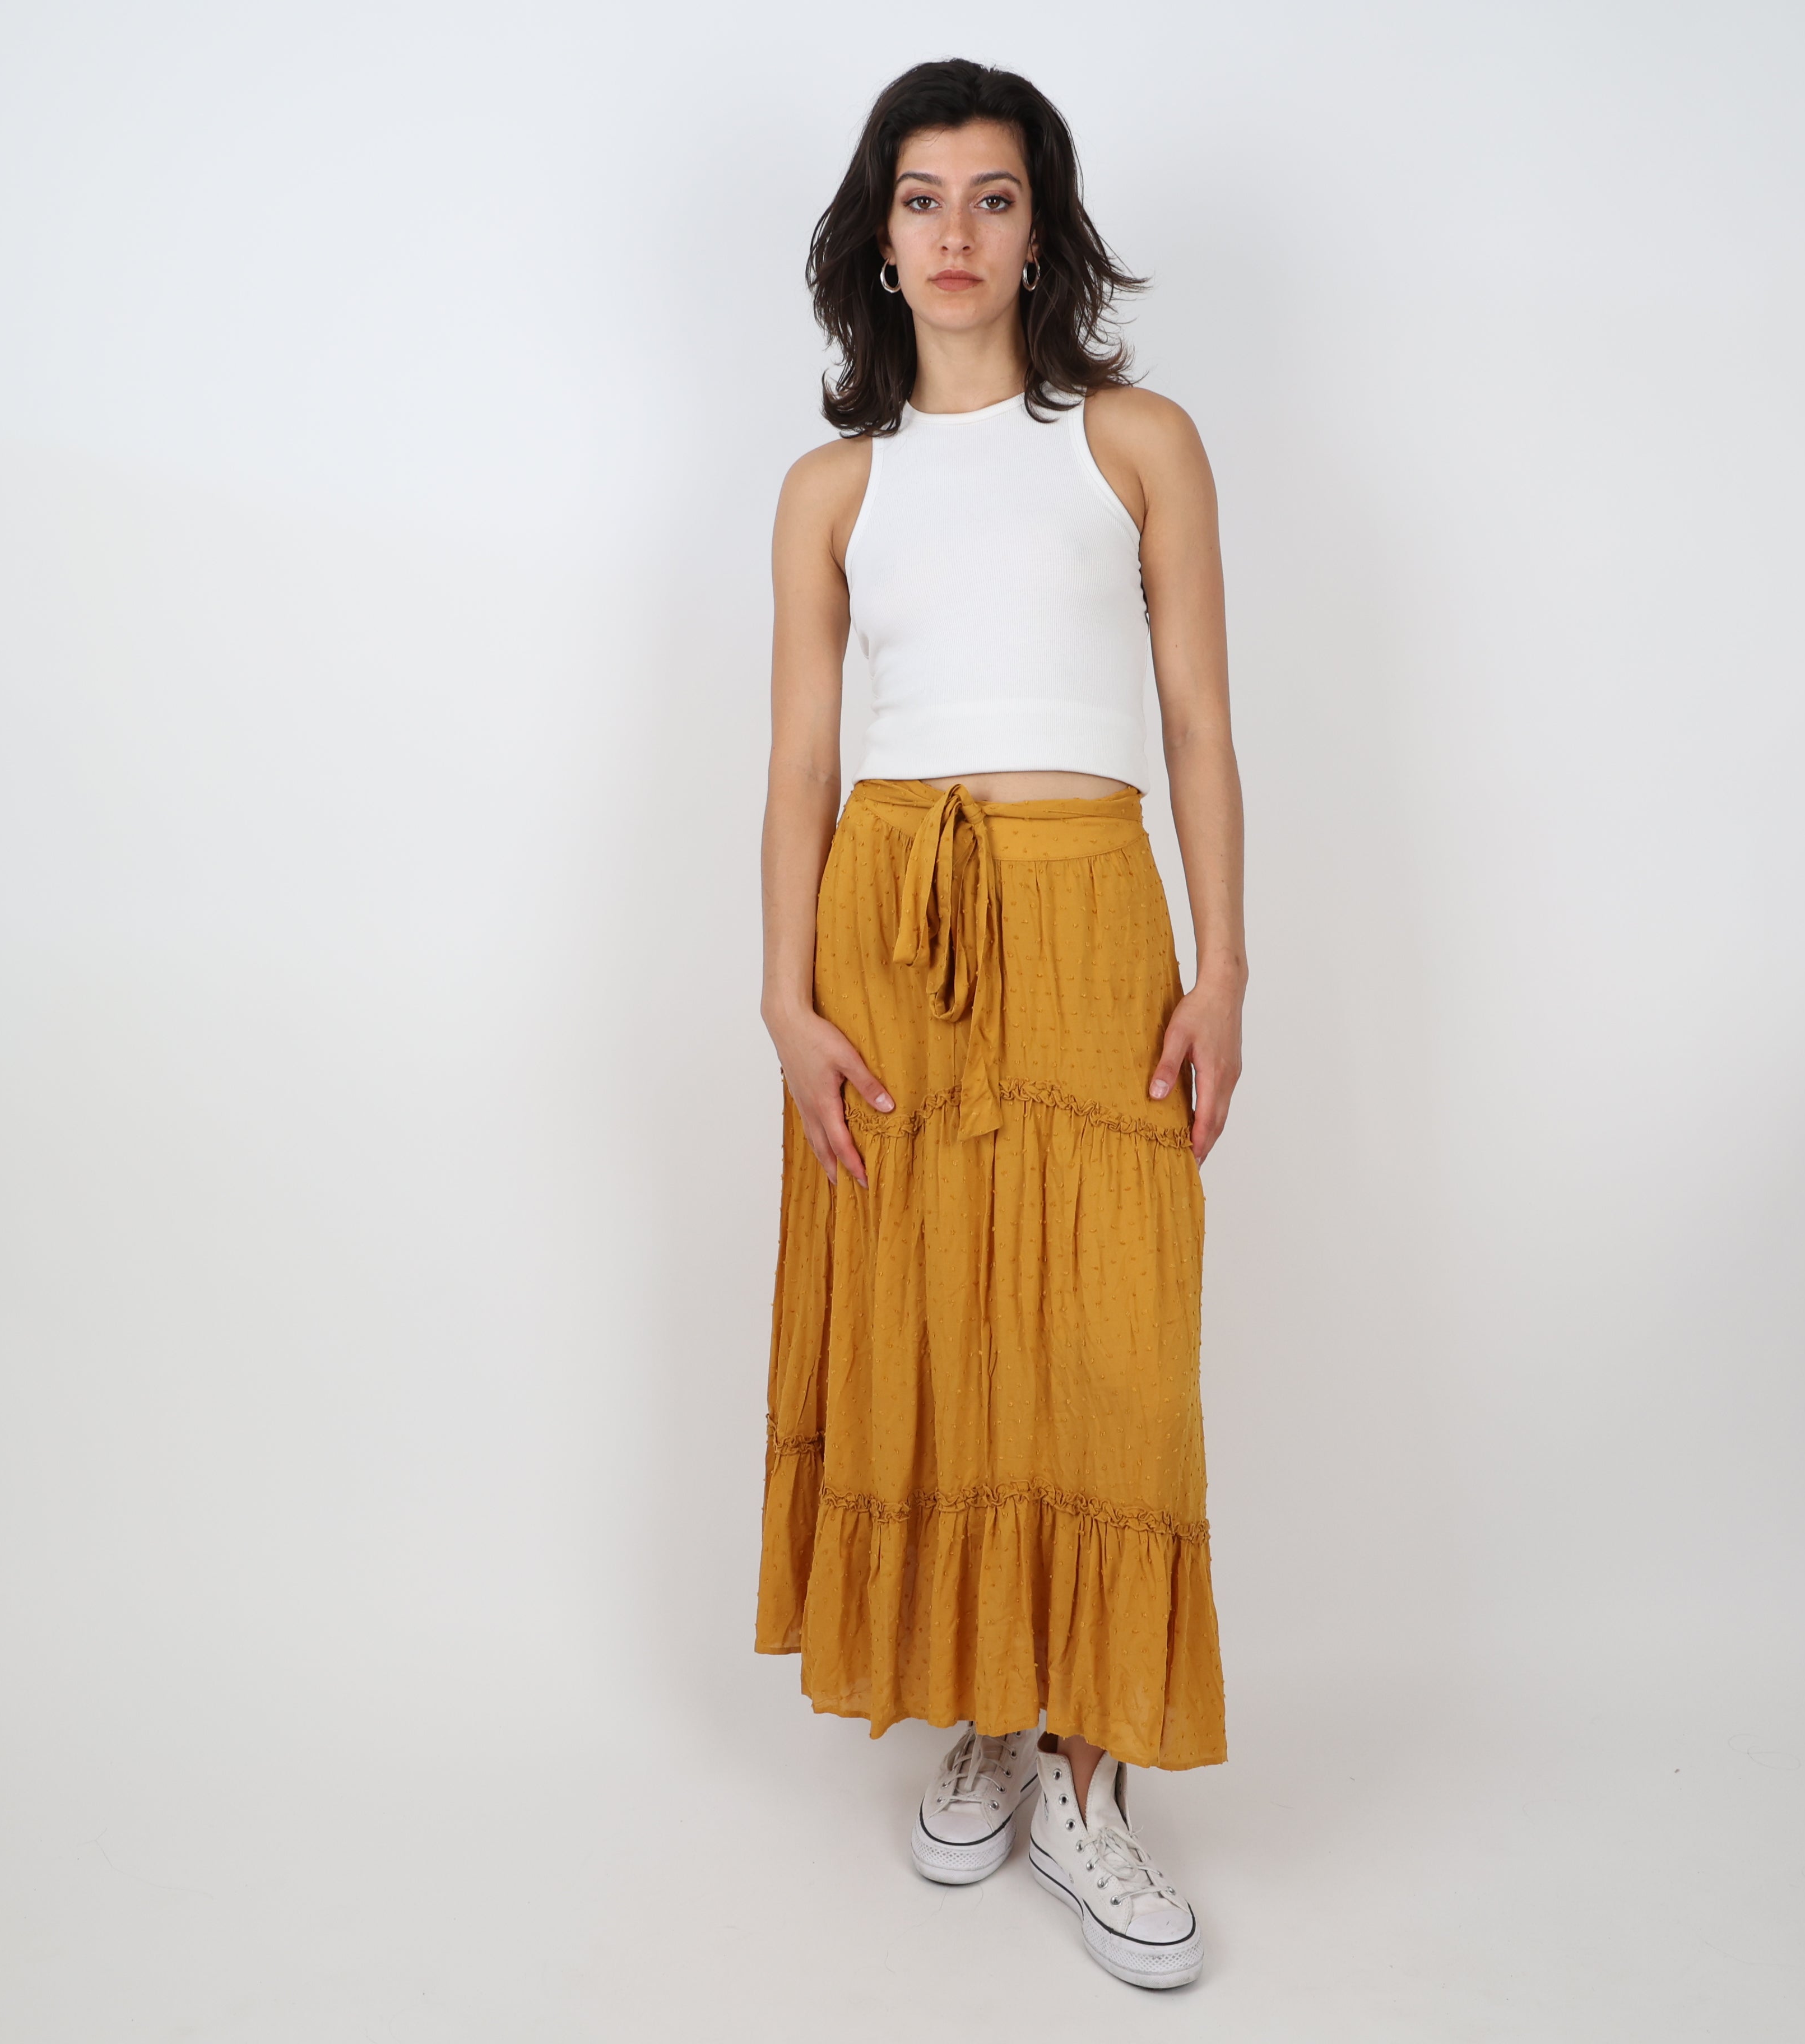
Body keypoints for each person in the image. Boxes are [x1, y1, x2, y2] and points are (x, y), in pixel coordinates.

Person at [754, 57, 1245, 1992]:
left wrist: (1225, 971)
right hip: (895, 921)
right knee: (942, 1318)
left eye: (994, 197)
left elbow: (1197, 724)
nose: (956, 233)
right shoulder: (832, 488)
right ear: (876, 238)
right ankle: (988, 1705)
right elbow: (801, 765)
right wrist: (784, 998)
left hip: (1092, 909)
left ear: (1044, 232)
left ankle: (1088, 1772)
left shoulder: (1135, 442)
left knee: (1109, 1339)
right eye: (922, 199)